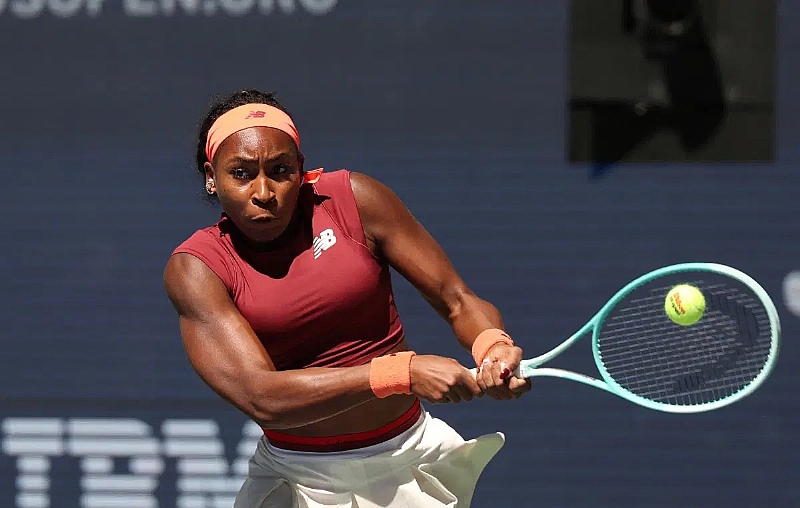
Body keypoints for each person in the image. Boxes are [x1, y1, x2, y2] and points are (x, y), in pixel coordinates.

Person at [163, 89, 531, 508]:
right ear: (212, 176)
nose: (264, 191)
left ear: (300, 169)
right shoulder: (198, 268)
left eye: (280, 170)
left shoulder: (354, 200)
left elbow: (458, 299)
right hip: (298, 478)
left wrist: (492, 346)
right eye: (242, 174)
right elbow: (262, 397)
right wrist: (400, 373)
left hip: (410, 455)